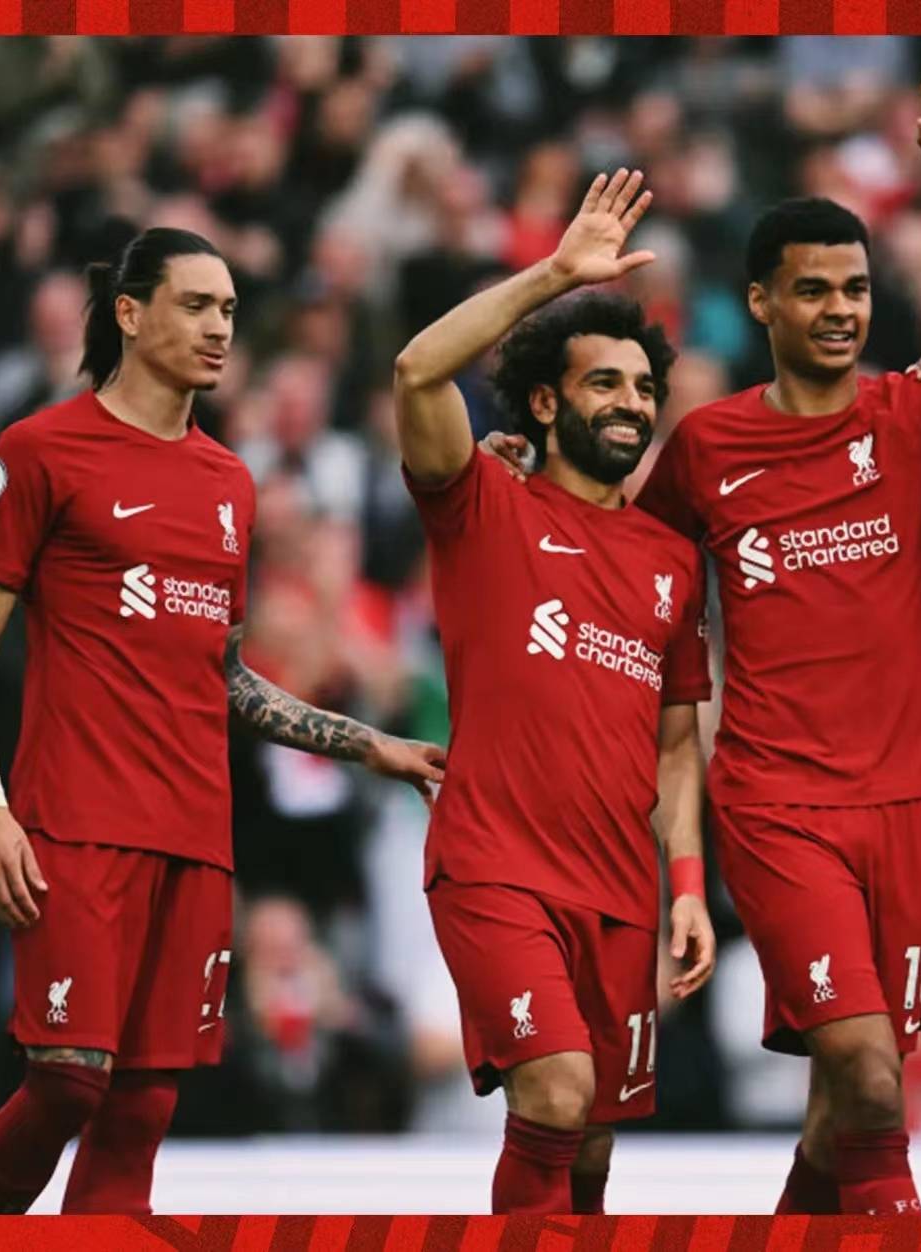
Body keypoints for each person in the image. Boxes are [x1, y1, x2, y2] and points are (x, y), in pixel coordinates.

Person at [632, 63, 921, 1216]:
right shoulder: (707, 447)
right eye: (813, 290)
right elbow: (637, 583)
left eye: (854, 288)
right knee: (874, 1082)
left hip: (906, 804)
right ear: (761, 303)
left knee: (842, 1111)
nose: (840, 308)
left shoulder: (917, 413)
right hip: (776, 803)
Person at [0, 227, 445, 1215]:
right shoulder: (40, 450)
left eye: (229, 311)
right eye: (196, 305)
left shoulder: (229, 482)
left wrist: (369, 744)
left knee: (141, 1108)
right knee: (68, 1079)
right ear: (129, 313)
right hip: (75, 822)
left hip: (196, 836)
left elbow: (226, 677)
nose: (220, 328)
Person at [392, 169, 717, 1215]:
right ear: (544, 400)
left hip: (620, 890)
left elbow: (677, 744)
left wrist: (685, 885)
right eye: (603, 383)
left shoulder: (672, 560)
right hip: (496, 869)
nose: (631, 403)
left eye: (643, 387)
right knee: (558, 1090)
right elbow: (415, 372)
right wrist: (554, 276)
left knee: (589, 1154)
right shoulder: (483, 502)